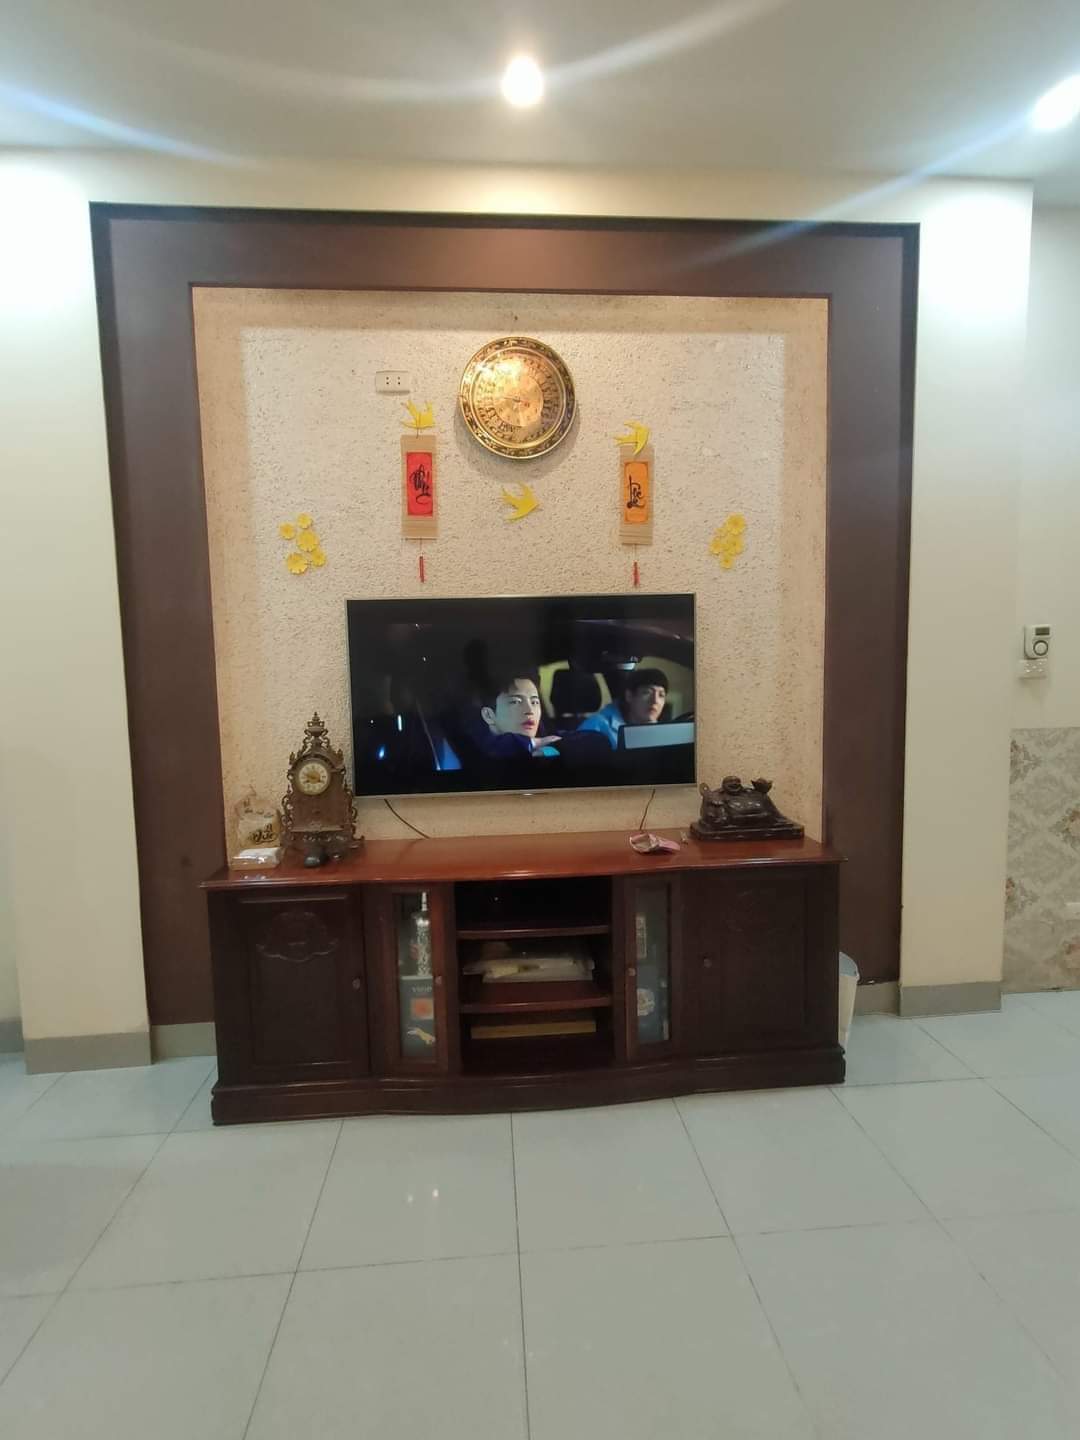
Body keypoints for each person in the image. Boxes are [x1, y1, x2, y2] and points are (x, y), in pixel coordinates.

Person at [575, 667, 668, 750]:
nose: (655, 701)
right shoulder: (597, 726)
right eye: (647, 692)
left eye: (661, 695)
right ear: (629, 696)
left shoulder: (662, 733)